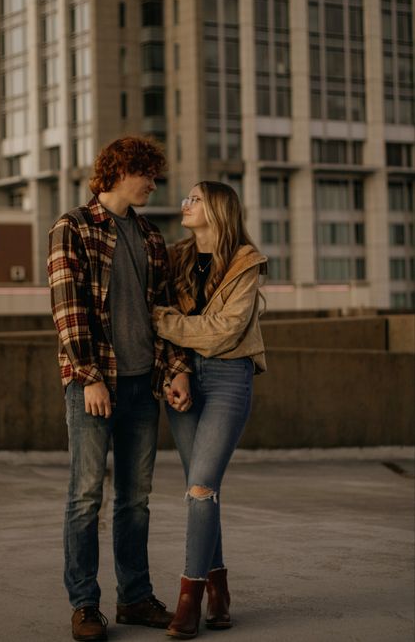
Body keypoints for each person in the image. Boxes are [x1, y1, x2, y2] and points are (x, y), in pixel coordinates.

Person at [47, 135, 191, 642]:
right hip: (94, 385)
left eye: (155, 176)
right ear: (119, 171)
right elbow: (69, 311)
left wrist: (175, 368)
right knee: (86, 496)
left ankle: (133, 597)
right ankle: (86, 605)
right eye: (147, 174)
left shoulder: (151, 236)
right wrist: (89, 377)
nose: (154, 184)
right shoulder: (74, 227)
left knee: (136, 500)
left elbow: (163, 311)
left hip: (140, 385)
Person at [153, 181, 267, 639]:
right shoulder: (175, 257)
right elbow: (185, 330)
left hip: (227, 378)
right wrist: (176, 369)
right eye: (187, 197)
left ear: (218, 209)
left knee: (200, 488)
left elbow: (223, 332)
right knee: (202, 487)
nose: (186, 204)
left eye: (195, 199)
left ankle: (190, 598)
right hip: (183, 376)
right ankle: (219, 588)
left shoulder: (246, 262)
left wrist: (161, 319)